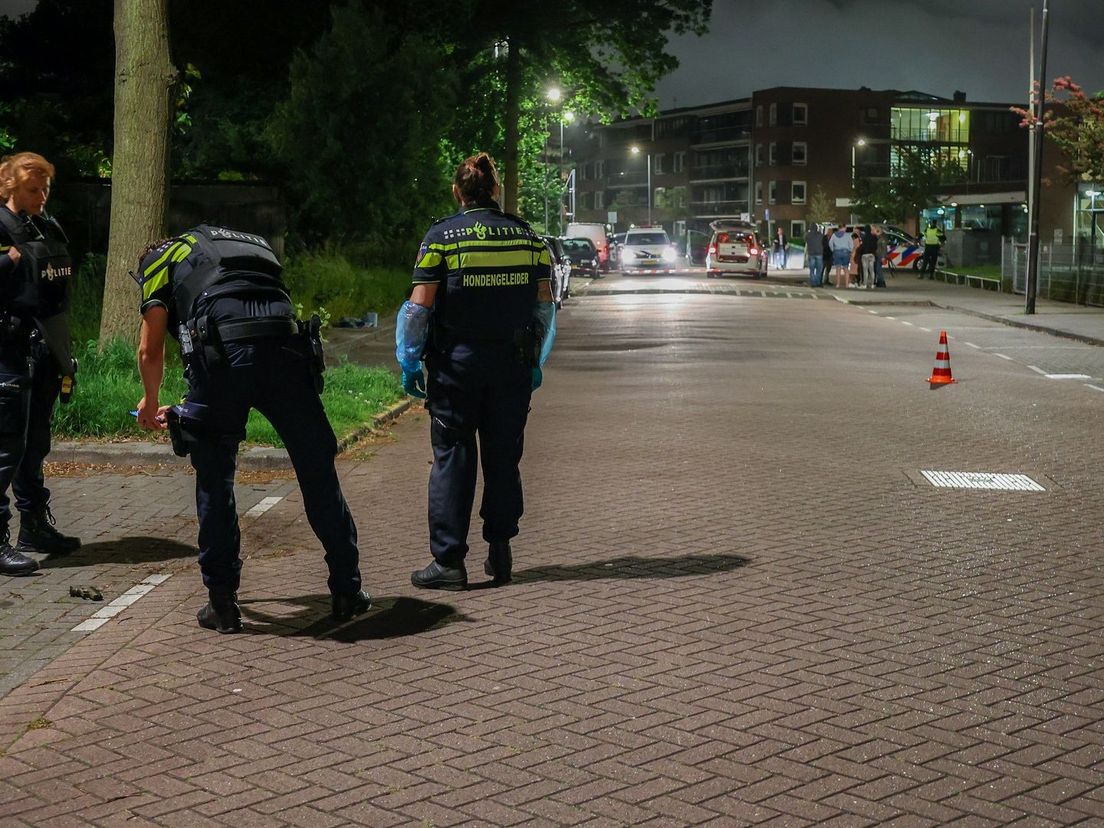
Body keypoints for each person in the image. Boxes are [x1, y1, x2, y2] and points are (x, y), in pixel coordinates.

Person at [134, 224, 370, 632]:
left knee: (215, 475)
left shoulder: (158, 260)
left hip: (223, 353)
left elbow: (149, 346)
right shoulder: (243, 245)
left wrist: (151, 401)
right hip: (286, 347)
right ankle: (347, 589)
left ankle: (222, 604)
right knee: (317, 469)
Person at [397, 152, 554, 591]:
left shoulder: (442, 238)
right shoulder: (528, 239)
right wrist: (535, 360)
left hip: (456, 369)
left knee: (453, 457)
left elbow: (419, 307)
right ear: (496, 191)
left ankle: (449, 563)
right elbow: (544, 307)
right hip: (511, 366)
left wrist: (409, 360)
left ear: (457, 192)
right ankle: (500, 551)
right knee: (504, 456)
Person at [0, 152, 80, 577]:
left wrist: (64, 354)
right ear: (11, 186)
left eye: (46, 187)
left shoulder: (46, 225)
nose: (42, 195)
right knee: (5, 447)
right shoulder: (1, 225)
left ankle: (34, 527)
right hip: (8, 352)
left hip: (44, 350)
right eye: (34, 188)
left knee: (34, 444)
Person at [858, 224, 878, 289]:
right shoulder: (874, 237)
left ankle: (865, 284)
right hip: (871, 255)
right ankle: (872, 284)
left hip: (864, 255)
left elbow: (861, 246)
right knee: (872, 270)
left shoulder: (863, 237)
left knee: (865, 270)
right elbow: (876, 246)